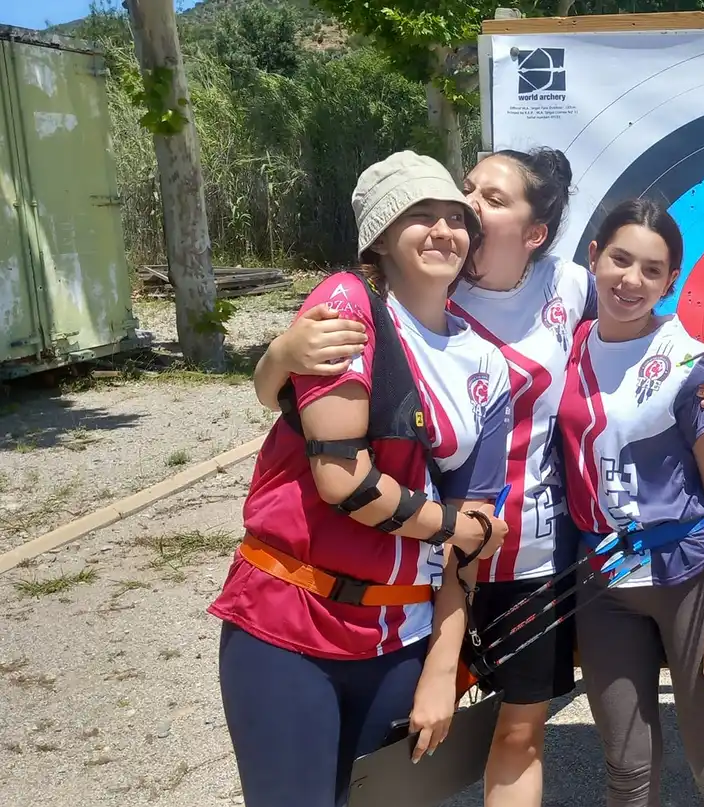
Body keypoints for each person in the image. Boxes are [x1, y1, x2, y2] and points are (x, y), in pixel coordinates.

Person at [248, 147, 704, 807]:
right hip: (426, 552)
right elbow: (307, 399)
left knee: (517, 733)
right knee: (391, 751)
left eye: (491, 198)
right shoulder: (424, 281)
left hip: (532, 550)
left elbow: (642, 332)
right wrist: (276, 358)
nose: (467, 207)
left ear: (535, 233)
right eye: (467, 189)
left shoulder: (571, 285)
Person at [208, 150, 513, 807]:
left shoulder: (487, 363)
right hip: (289, 621)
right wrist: (454, 525)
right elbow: (344, 481)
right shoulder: (347, 306)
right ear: (379, 235)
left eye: (455, 217)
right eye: (419, 215)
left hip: (399, 637)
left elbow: (472, 538)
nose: (443, 231)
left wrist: (442, 666)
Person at [558, 198, 704, 807]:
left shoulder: (689, 364)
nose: (632, 280)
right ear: (594, 257)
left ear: (671, 281)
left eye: (652, 270)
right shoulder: (565, 345)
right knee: (627, 773)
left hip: (687, 580)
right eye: (620, 260)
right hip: (602, 582)